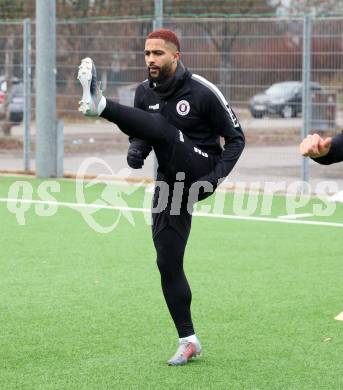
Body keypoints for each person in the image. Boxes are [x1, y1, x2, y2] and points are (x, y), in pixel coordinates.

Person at [77, 29, 245, 365]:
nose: (151, 60)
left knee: (164, 130)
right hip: (170, 184)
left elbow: (236, 138)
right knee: (166, 261)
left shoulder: (202, 90)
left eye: (158, 54)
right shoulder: (144, 92)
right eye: (147, 54)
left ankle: (102, 104)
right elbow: (143, 134)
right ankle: (189, 339)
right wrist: (136, 150)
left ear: (176, 56)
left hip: (201, 167)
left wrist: (214, 179)